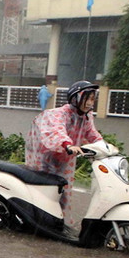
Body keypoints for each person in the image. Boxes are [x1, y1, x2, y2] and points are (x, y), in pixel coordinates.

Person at [25, 80, 103, 224]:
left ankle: (60, 221)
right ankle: (36, 219)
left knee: (65, 191)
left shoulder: (86, 117)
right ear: (77, 97)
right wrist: (67, 144)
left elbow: (92, 133)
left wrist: (105, 147)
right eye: (88, 98)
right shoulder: (61, 113)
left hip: (66, 158)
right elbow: (57, 130)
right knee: (46, 190)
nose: (90, 102)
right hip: (47, 157)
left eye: (93, 99)